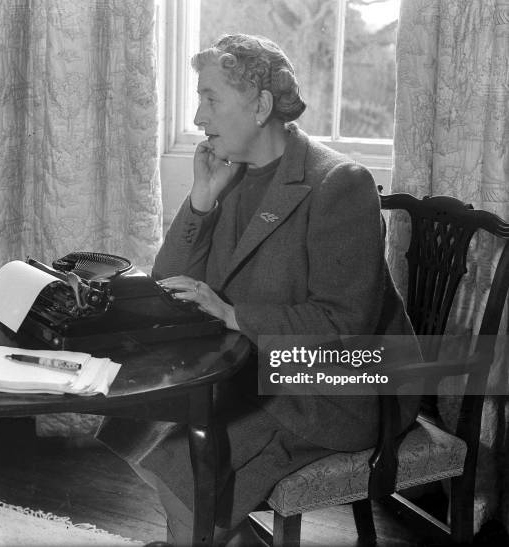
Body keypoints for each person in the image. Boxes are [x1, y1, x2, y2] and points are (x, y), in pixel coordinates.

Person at [97, 34, 419, 546]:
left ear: (261, 106)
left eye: (210, 99)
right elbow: (169, 282)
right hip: (254, 368)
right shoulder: (231, 172)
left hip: (336, 388)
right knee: (137, 425)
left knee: (184, 467)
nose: (199, 117)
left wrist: (229, 314)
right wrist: (201, 201)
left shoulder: (340, 184)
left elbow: (345, 323)